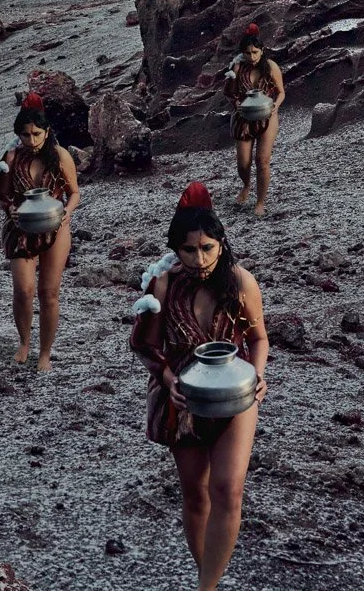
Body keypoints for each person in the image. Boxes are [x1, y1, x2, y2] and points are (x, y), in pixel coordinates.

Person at [131, 183, 270, 591]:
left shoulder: (241, 283)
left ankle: (206, 587)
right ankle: (206, 574)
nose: (200, 258)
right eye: (189, 250)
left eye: (208, 247)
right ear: (176, 249)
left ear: (222, 243)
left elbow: (259, 338)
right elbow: (145, 345)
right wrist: (169, 380)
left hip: (234, 392)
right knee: (195, 494)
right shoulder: (162, 286)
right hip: (184, 398)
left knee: (228, 490)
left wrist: (259, 376)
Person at [0, 92, 80, 371]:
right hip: (21, 227)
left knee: (49, 293)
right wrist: (10, 210)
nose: (32, 140)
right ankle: (24, 341)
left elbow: (74, 192)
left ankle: (45, 353)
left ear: (47, 131)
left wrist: (67, 213)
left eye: (37, 134)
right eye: (26, 135)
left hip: (55, 226)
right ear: (18, 134)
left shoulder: (61, 156)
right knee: (23, 290)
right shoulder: (12, 157)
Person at [225, 23, 285, 216]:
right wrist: (237, 105)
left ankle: (260, 202)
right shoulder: (236, 68)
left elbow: (281, 92)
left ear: (262, 50)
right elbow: (229, 93)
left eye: (255, 52)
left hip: (268, 115)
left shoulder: (271, 67)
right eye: (247, 53)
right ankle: (246, 184)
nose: (252, 57)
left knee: (262, 160)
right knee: (243, 163)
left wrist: (276, 105)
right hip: (244, 117)